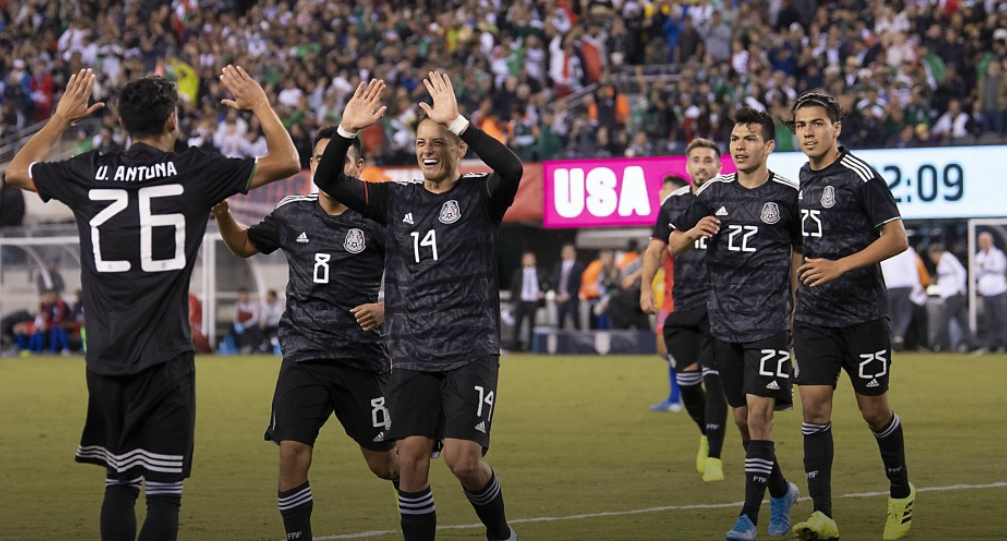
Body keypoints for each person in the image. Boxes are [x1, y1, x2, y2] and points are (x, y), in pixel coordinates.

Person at [3, 67, 299, 540]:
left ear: (122, 124)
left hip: (104, 356)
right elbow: (287, 161)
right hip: (164, 356)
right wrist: (260, 103)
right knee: (163, 495)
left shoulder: (88, 170)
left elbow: (15, 170)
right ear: (172, 122)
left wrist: (60, 118)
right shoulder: (196, 170)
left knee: (118, 485)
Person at [313, 74, 521, 541]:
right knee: (409, 462)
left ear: (459, 149)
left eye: (438, 141)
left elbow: (512, 170)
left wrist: (460, 122)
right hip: (410, 353)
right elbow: (326, 178)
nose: (427, 150)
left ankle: (500, 532)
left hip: (470, 348)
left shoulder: (479, 197)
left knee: (463, 461)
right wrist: (347, 129)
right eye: (421, 142)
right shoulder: (395, 198)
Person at [211, 127, 398, 541]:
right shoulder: (293, 211)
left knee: (384, 465)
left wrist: (387, 307)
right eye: (318, 160)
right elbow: (243, 245)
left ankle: (416, 497)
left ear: (358, 167)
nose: (326, 166)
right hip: (304, 355)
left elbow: (418, 275)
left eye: (338, 159)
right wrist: (224, 214)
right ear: (313, 166)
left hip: (360, 359)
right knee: (292, 452)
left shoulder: (377, 216)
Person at [669, 107, 801, 541]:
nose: (740, 146)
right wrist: (691, 234)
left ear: (768, 146)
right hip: (723, 323)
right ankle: (781, 491)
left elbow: (799, 256)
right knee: (743, 420)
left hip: (768, 322)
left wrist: (798, 309)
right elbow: (674, 245)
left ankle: (747, 517)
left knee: (761, 419)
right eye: (735, 139)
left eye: (749, 139)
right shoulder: (711, 192)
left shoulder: (787, 196)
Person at [788, 91, 915, 541]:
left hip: (863, 314)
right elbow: (801, 248)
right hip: (816, 318)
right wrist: (793, 300)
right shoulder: (800, 178)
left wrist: (840, 265)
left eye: (817, 123)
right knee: (814, 407)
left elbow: (897, 239)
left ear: (836, 127)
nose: (808, 132)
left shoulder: (861, 176)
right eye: (801, 125)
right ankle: (822, 514)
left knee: (873, 410)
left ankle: (901, 492)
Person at [640, 141, 730, 484]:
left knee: (714, 379)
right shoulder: (674, 204)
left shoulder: (731, 198)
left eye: (708, 160)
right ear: (688, 165)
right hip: (684, 304)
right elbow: (656, 250)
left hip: (721, 304)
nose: (702, 165)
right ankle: (706, 432)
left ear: (719, 165)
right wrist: (646, 286)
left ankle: (716, 458)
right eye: (696, 160)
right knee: (688, 383)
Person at [647, 176, 687, 414]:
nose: (661, 192)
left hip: (679, 295)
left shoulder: (680, 221)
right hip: (669, 294)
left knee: (665, 347)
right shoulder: (665, 220)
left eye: (666, 189)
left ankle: (681, 392)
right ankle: (676, 396)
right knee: (665, 349)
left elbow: (662, 253)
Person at [927, 243, 974, 353]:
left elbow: (961, 271)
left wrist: (959, 287)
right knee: (962, 320)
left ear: (936, 253)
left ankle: (937, 344)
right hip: (951, 295)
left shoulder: (948, 258)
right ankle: (971, 343)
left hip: (954, 294)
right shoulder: (943, 262)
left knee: (944, 319)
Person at [975, 232, 1007, 351]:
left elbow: (1000, 268)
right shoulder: (978, 256)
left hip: (998, 290)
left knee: (1001, 319)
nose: (984, 243)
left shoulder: (998, 254)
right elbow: (976, 273)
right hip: (986, 292)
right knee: (989, 320)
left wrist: (985, 266)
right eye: (981, 241)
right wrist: (983, 268)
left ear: (991, 241)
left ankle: (1004, 343)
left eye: (986, 241)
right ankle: (991, 344)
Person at [509, 251, 547, 352]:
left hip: (533, 302)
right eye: (527, 258)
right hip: (521, 301)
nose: (529, 261)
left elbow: (547, 285)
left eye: (531, 258)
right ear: (522, 261)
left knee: (532, 325)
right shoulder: (518, 272)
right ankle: (515, 345)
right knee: (517, 324)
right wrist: (512, 301)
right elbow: (514, 288)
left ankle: (531, 346)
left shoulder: (540, 272)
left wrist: (541, 294)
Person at [551, 243, 585, 330]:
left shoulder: (578, 266)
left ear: (574, 253)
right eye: (566, 252)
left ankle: (579, 341)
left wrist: (569, 295)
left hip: (572, 299)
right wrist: (557, 294)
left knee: (576, 322)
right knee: (559, 323)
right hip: (559, 298)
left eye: (570, 252)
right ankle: (560, 342)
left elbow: (579, 283)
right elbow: (554, 281)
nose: (568, 254)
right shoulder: (558, 266)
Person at [231, 287, 263, 354]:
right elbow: (235, 318)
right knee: (233, 330)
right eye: (241, 295)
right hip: (241, 326)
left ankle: (256, 348)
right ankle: (239, 348)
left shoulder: (254, 304)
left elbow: (255, 318)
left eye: (245, 295)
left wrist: (246, 325)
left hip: (251, 325)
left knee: (256, 329)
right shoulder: (237, 305)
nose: (243, 297)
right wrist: (239, 325)